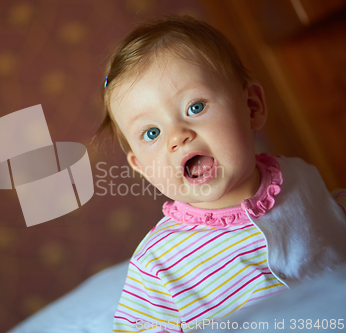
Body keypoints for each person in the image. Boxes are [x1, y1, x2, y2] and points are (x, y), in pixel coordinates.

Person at [93, 15, 346, 333]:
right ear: (142, 168)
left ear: (251, 107)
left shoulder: (300, 176)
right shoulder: (158, 265)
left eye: (195, 108)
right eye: (152, 132)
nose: (177, 136)